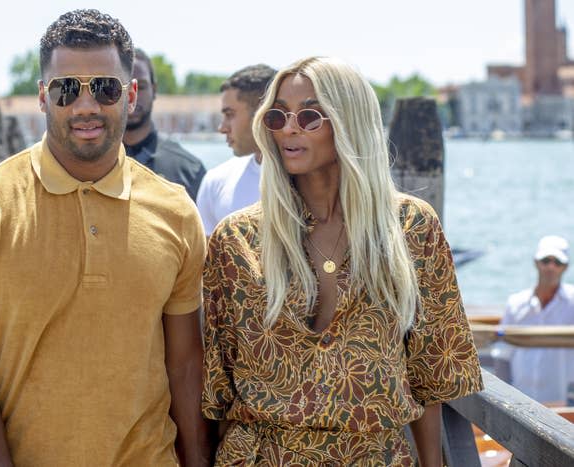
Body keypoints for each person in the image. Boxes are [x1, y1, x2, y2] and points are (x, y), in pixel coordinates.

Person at [0, 10, 210, 467]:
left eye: (105, 87)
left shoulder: (176, 212)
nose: (85, 106)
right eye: (66, 89)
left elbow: (185, 367)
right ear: (43, 97)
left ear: (131, 95)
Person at [202, 56, 483, 466]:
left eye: (310, 116)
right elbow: (218, 390)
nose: (289, 129)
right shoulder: (236, 239)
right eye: (277, 117)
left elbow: (431, 379)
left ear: (349, 121)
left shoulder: (411, 226)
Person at [196, 64, 275, 236]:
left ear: (262, 112)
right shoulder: (216, 181)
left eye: (229, 114)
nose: (222, 128)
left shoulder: (308, 181)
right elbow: (209, 260)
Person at [122, 48, 206, 200]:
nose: (132, 96)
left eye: (141, 86)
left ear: (154, 90)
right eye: (124, 87)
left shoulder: (188, 169)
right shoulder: (86, 165)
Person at [500, 235, 574, 403]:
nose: (551, 267)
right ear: (536, 262)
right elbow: (503, 355)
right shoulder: (515, 303)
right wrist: (503, 399)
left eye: (557, 262)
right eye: (546, 260)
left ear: (565, 267)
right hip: (519, 401)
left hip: (562, 403)